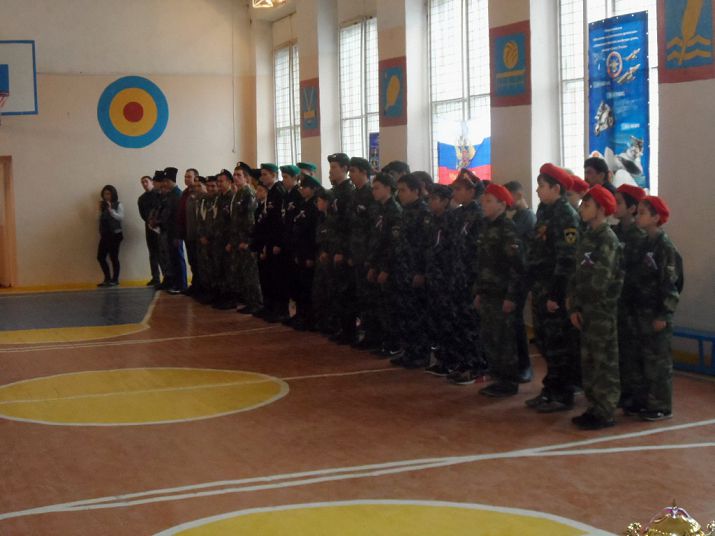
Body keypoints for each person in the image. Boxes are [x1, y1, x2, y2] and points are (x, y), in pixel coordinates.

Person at [525, 163, 580, 412]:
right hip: (541, 287)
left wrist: (556, 295)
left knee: (559, 344)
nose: (537, 190)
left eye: (542, 186)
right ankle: (550, 390)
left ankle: (563, 394)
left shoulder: (566, 215)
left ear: (556, 188)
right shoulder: (544, 211)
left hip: (554, 289)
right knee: (545, 341)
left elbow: (567, 259)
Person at [568, 185, 623, 430]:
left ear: (601, 210)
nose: (582, 209)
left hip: (600, 310)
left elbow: (601, 280)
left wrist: (584, 303)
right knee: (589, 360)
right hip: (586, 309)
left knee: (603, 361)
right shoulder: (587, 236)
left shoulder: (607, 239)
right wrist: (574, 304)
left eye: (587, 205)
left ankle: (605, 409)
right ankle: (593, 406)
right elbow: (577, 274)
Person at [631, 195, 681, 421]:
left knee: (659, 361)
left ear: (656, 217)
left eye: (642, 213)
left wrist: (664, 313)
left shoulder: (664, 246)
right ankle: (645, 401)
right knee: (644, 359)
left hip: (656, 312)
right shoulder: (644, 243)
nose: (638, 216)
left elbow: (670, 284)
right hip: (642, 311)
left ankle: (661, 405)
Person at [474, 183, 525, 397]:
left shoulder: (507, 229)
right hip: (488, 292)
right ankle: (497, 378)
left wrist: (511, 296)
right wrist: (479, 291)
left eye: (488, 201)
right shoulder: (487, 227)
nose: (483, 205)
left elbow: (516, 266)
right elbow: (482, 264)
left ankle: (508, 382)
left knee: (504, 340)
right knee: (490, 338)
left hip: (502, 294)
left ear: (502, 205)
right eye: (483, 201)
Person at [444, 169, 486, 385]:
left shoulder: (479, 216)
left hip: (471, 278)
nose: (455, 193)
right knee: (458, 322)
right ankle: (463, 363)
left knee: (472, 324)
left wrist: (478, 282)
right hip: (457, 276)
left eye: (459, 189)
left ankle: (476, 367)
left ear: (472, 191)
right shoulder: (457, 215)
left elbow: (480, 252)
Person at [389, 173, 431, 368]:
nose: (400, 194)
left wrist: (420, 271)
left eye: (403, 190)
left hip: (414, 270)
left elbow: (425, 246)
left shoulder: (423, 213)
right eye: (398, 190)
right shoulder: (404, 211)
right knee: (404, 313)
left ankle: (420, 353)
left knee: (417, 314)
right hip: (402, 269)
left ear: (415, 191)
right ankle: (409, 350)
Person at [612, 184, 647, 413]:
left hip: (634, 303)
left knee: (635, 352)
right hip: (618, 302)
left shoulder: (640, 237)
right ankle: (624, 392)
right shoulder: (614, 233)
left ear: (632, 208)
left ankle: (637, 396)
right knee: (621, 350)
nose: (614, 206)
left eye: (619, 203)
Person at [366, 172, 403, 356]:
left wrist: (385, 269)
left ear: (388, 188)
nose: (373, 191)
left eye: (377, 188)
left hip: (389, 266)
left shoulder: (394, 211)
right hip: (378, 262)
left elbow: (392, 244)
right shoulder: (379, 209)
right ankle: (383, 340)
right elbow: (376, 240)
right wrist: (373, 265)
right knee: (379, 306)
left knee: (390, 307)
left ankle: (393, 344)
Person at [504, 180, 536, 383]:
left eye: (509, 197)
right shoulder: (517, 217)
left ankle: (524, 366)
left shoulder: (527, 218)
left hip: (522, 275)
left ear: (518, 195)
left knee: (516, 322)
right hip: (515, 275)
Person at [346, 157, 378, 349]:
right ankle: (364, 333)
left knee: (370, 297)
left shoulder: (370, 194)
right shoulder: (354, 194)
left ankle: (372, 335)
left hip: (367, 254)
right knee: (360, 297)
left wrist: (369, 257)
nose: (350, 174)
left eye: (353, 171)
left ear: (364, 173)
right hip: (356, 252)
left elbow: (372, 229)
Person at [423, 184, 455, 376]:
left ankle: (449, 360)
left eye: (433, 199)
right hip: (433, 276)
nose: (429, 202)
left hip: (446, 277)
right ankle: (441, 359)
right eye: (429, 198)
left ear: (445, 201)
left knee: (446, 320)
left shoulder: (451, 221)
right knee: (435, 320)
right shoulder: (431, 220)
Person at [324, 153, 355, 342]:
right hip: (333, 246)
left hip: (342, 249)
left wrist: (342, 251)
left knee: (346, 292)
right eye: (330, 167)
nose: (331, 171)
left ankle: (349, 330)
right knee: (335, 290)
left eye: (334, 167)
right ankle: (339, 327)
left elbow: (348, 226)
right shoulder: (335, 192)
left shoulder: (348, 192)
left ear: (345, 169)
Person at [290, 175, 322, 329]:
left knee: (308, 286)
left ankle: (309, 318)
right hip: (300, 250)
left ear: (313, 189)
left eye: (305, 187)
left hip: (308, 251)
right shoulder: (303, 204)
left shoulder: (314, 206)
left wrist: (310, 256)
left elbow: (312, 233)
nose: (301, 190)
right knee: (300, 285)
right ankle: (300, 314)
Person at [258, 163, 289, 322]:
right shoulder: (271, 192)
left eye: (265, 174)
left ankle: (281, 310)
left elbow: (280, 221)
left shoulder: (279, 191)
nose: (262, 177)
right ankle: (270, 307)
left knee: (278, 278)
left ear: (273, 175)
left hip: (276, 241)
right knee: (269, 277)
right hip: (269, 240)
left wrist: (278, 243)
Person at [231, 165, 263, 315]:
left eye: (239, 175)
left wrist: (248, 240)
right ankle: (248, 301)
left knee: (251, 274)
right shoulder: (238, 193)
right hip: (238, 240)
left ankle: (256, 302)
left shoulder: (248, 193)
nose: (235, 177)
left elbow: (250, 220)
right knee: (243, 272)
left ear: (246, 178)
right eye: (234, 175)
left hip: (246, 241)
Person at [279, 165, 304, 324]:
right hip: (287, 241)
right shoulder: (287, 195)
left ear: (295, 178)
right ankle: (293, 314)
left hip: (295, 243)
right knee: (289, 280)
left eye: (286, 177)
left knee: (297, 281)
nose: (283, 180)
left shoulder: (297, 195)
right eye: (283, 177)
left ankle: (299, 314)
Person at [97, 184, 124, 287]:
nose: (106, 196)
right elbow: (98, 218)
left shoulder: (118, 204)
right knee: (100, 257)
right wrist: (99, 209)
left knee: (113, 257)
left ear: (113, 194)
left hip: (115, 234)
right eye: (104, 194)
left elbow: (121, 217)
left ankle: (115, 279)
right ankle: (107, 278)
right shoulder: (102, 205)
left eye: (108, 193)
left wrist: (111, 210)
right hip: (105, 234)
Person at [137, 175, 162, 286]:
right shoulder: (141, 199)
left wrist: (156, 221)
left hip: (160, 227)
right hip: (149, 227)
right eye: (142, 182)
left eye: (146, 181)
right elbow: (142, 214)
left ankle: (167, 276)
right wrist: (150, 221)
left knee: (162, 252)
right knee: (152, 253)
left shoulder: (159, 194)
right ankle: (155, 277)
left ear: (152, 182)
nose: (144, 184)